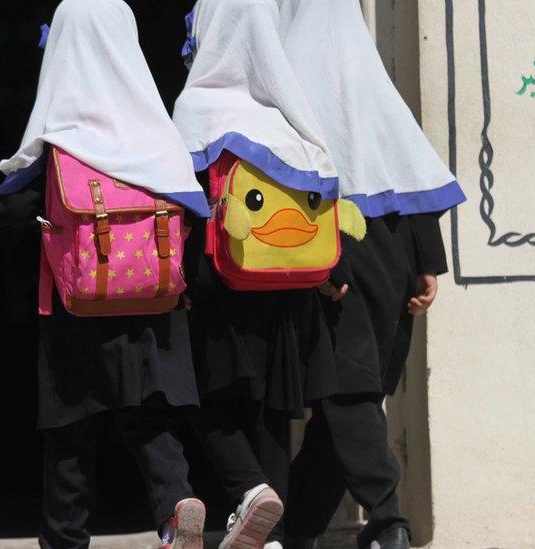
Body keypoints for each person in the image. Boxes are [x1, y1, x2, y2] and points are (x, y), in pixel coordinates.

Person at [0, 1, 210, 547]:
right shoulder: (159, 135)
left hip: (76, 307)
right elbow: (194, 216)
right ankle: (175, 503)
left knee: (70, 431)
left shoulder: (62, 138)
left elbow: (5, 213)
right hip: (152, 305)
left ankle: (65, 540)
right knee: (146, 415)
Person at [277, 2, 467, 548]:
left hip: (337, 256)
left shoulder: (294, 90)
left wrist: (324, 264)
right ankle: (296, 532)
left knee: (347, 395)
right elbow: (409, 161)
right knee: (348, 401)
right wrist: (426, 261)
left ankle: (388, 522)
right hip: (394, 252)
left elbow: (301, 187)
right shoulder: (372, 82)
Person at [172, 1, 340, 547]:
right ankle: (274, 536)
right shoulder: (290, 110)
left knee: (209, 402)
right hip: (288, 287)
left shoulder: (197, 108)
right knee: (272, 417)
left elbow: (180, 203)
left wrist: (182, 285)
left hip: (219, 288)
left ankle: (249, 491)